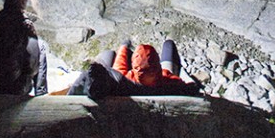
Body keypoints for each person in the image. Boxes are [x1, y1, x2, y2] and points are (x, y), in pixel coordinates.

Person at [67, 39, 199, 98]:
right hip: (156, 88)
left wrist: (124, 46)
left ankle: (130, 53)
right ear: (157, 66)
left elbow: (119, 67)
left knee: (109, 54)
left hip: (133, 88)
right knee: (168, 45)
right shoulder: (170, 84)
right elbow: (183, 85)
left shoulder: (124, 81)